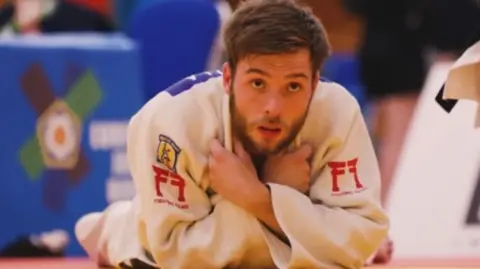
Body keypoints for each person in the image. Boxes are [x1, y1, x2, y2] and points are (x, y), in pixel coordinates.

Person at [75, 0, 389, 268]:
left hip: (233, 227)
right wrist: (286, 201)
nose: (273, 107)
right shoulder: (171, 120)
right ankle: (111, 225)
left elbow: (362, 239)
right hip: (153, 231)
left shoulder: (336, 111)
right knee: (132, 240)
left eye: (293, 86)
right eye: (257, 83)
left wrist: (260, 197)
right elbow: (177, 256)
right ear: (227, 78)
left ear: (315, 83)